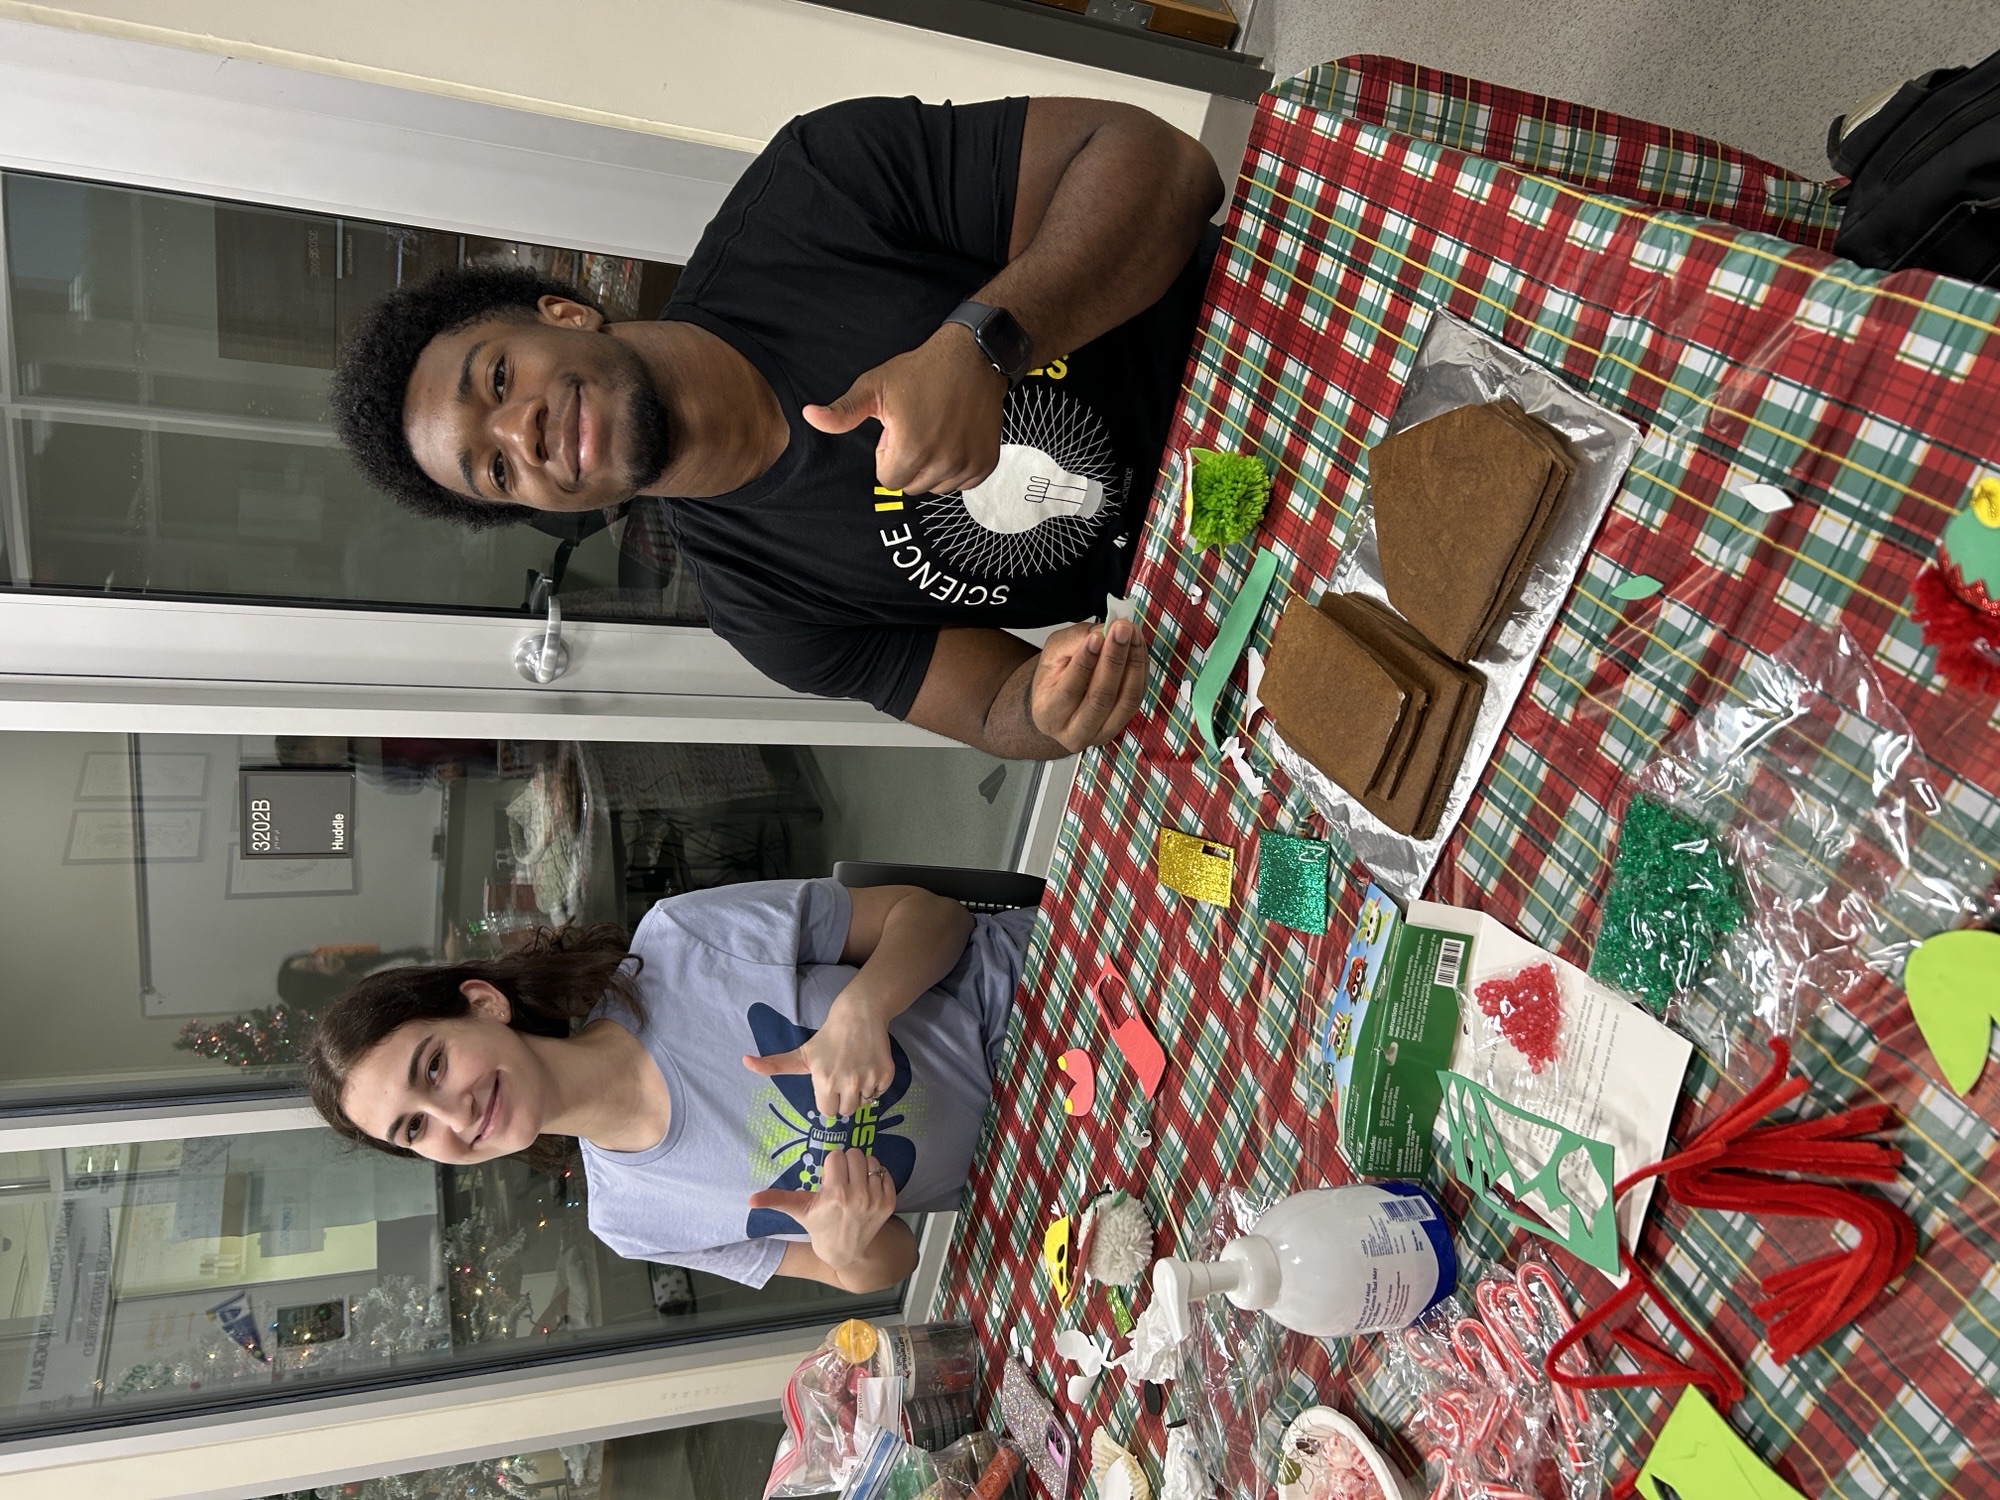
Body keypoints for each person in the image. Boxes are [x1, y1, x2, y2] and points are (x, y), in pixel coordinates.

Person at [329, 96, 1224, 759]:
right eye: (494, 470)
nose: (519, 436)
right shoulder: (763, 612)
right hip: (1223, 582)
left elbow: (1166, 167)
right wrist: (1049, 706)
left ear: (563, 314)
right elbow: (993, 708)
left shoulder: (813, 190)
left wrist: (983, 345)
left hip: (1264, 354)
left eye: (495, 377)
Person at [304, 880, 1030, 1291]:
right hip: (1029, 1164)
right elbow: (889, 1262)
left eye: (431, 1067)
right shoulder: (632, 1222)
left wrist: (864, 1005)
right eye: (413, 1129)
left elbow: (934, 917)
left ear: (483, 1004)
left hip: (1038, 999)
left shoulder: (680, 941)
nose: (449, 1114)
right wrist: (846, 1246)